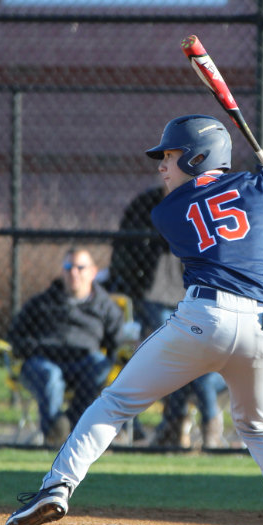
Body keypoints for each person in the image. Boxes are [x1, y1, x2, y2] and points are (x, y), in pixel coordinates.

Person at [4, 113, 263, 525]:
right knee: (258, 426)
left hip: (203, 321)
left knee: (114, 403)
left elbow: (229, 202)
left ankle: (57, 487)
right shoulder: (262, 186)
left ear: (197, 157)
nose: (161, 166)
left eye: (170, 156)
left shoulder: (169, 211)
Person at [107, 183, 227, 448]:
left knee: (190, 366)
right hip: (155, 294)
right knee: (177, 358)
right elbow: (124, 249)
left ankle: (182, 425)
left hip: (194, 296)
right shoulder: (147, 204)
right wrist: (128, 284)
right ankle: (181, 426)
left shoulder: (204, 203)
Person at [8, 247, 133, 445]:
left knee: (100, 363)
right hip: (44, 362)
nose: (73, 272)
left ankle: (68, 424)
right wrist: (35, 349)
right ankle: (56, 437)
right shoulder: (42, 303)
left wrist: (118, 355)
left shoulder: (105, 307)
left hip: (83, 365)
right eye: (68, 267)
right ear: (62, 271)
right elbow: (15, 336)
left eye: (80, 267)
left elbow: (117, 342)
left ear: (93, 272)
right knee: (51, 376)